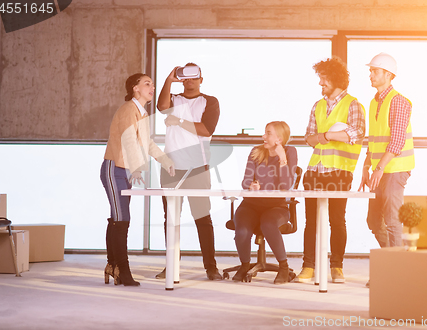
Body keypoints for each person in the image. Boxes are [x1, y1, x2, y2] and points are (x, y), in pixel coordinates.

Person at [296, 57, 366, 284]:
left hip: (339, 172)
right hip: (314, 170)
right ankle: (308, 267)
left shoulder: (354, 105)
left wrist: (325, 136)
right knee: (311, 221)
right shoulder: (318, 105)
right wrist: (324, 137)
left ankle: (336, 266)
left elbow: (355, 135)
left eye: (324, 79)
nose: (320, 84)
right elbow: (309, 138)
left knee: (337, 220)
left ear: (336, 79)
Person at [100, 73, 174, 286]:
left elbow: (148, 143)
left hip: (126, 171)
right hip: (115, 169)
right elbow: (130, 141)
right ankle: (123, 271)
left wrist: (165, 160)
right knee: (121, 219)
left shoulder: (141, 114)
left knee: (119, 219)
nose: (152, 87)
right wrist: (137, 169)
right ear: (135, 88)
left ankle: (113, 265)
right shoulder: (128, 110)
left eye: (152, 83)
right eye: (147, 83)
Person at [156, 63, 222, 280]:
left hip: (197, 168)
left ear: (201, 80)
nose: (190, 82)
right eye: (185, 78)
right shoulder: (174, 99)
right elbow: (161, 106)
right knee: (171, 219)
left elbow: (205, 129)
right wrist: (168, 78)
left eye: (194, 78)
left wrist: (179, 121)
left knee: (202, 218)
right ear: (181, 80)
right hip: (171, 168)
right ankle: (171, 265)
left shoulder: (210, 102)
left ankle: (211, 267)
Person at [358, 52, 415, 250]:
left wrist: (379, 168)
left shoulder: (398, 101)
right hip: (379, 170)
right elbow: (373, 141)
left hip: (395, 170)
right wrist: (367, 166)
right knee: (374, 221)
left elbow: (397, 141)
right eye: (371, 71)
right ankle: (388, 262)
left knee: (392, 221)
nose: (371, 75)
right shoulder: (374, 102)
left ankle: (396, 271)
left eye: (375, 71)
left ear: (389, 74)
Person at [232, 121, 298, 284]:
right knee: (242, 229)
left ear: (279, 139)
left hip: (276, 207)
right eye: (265, 132)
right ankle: (245, 265)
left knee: (268, 223)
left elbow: (285, 186)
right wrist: (250, 185)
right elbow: (245, 180)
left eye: (268, 133)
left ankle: (283, 267)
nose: (263, 136)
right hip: (251, 204)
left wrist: (282, 158)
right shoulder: (256, 152)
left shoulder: (290, 152)